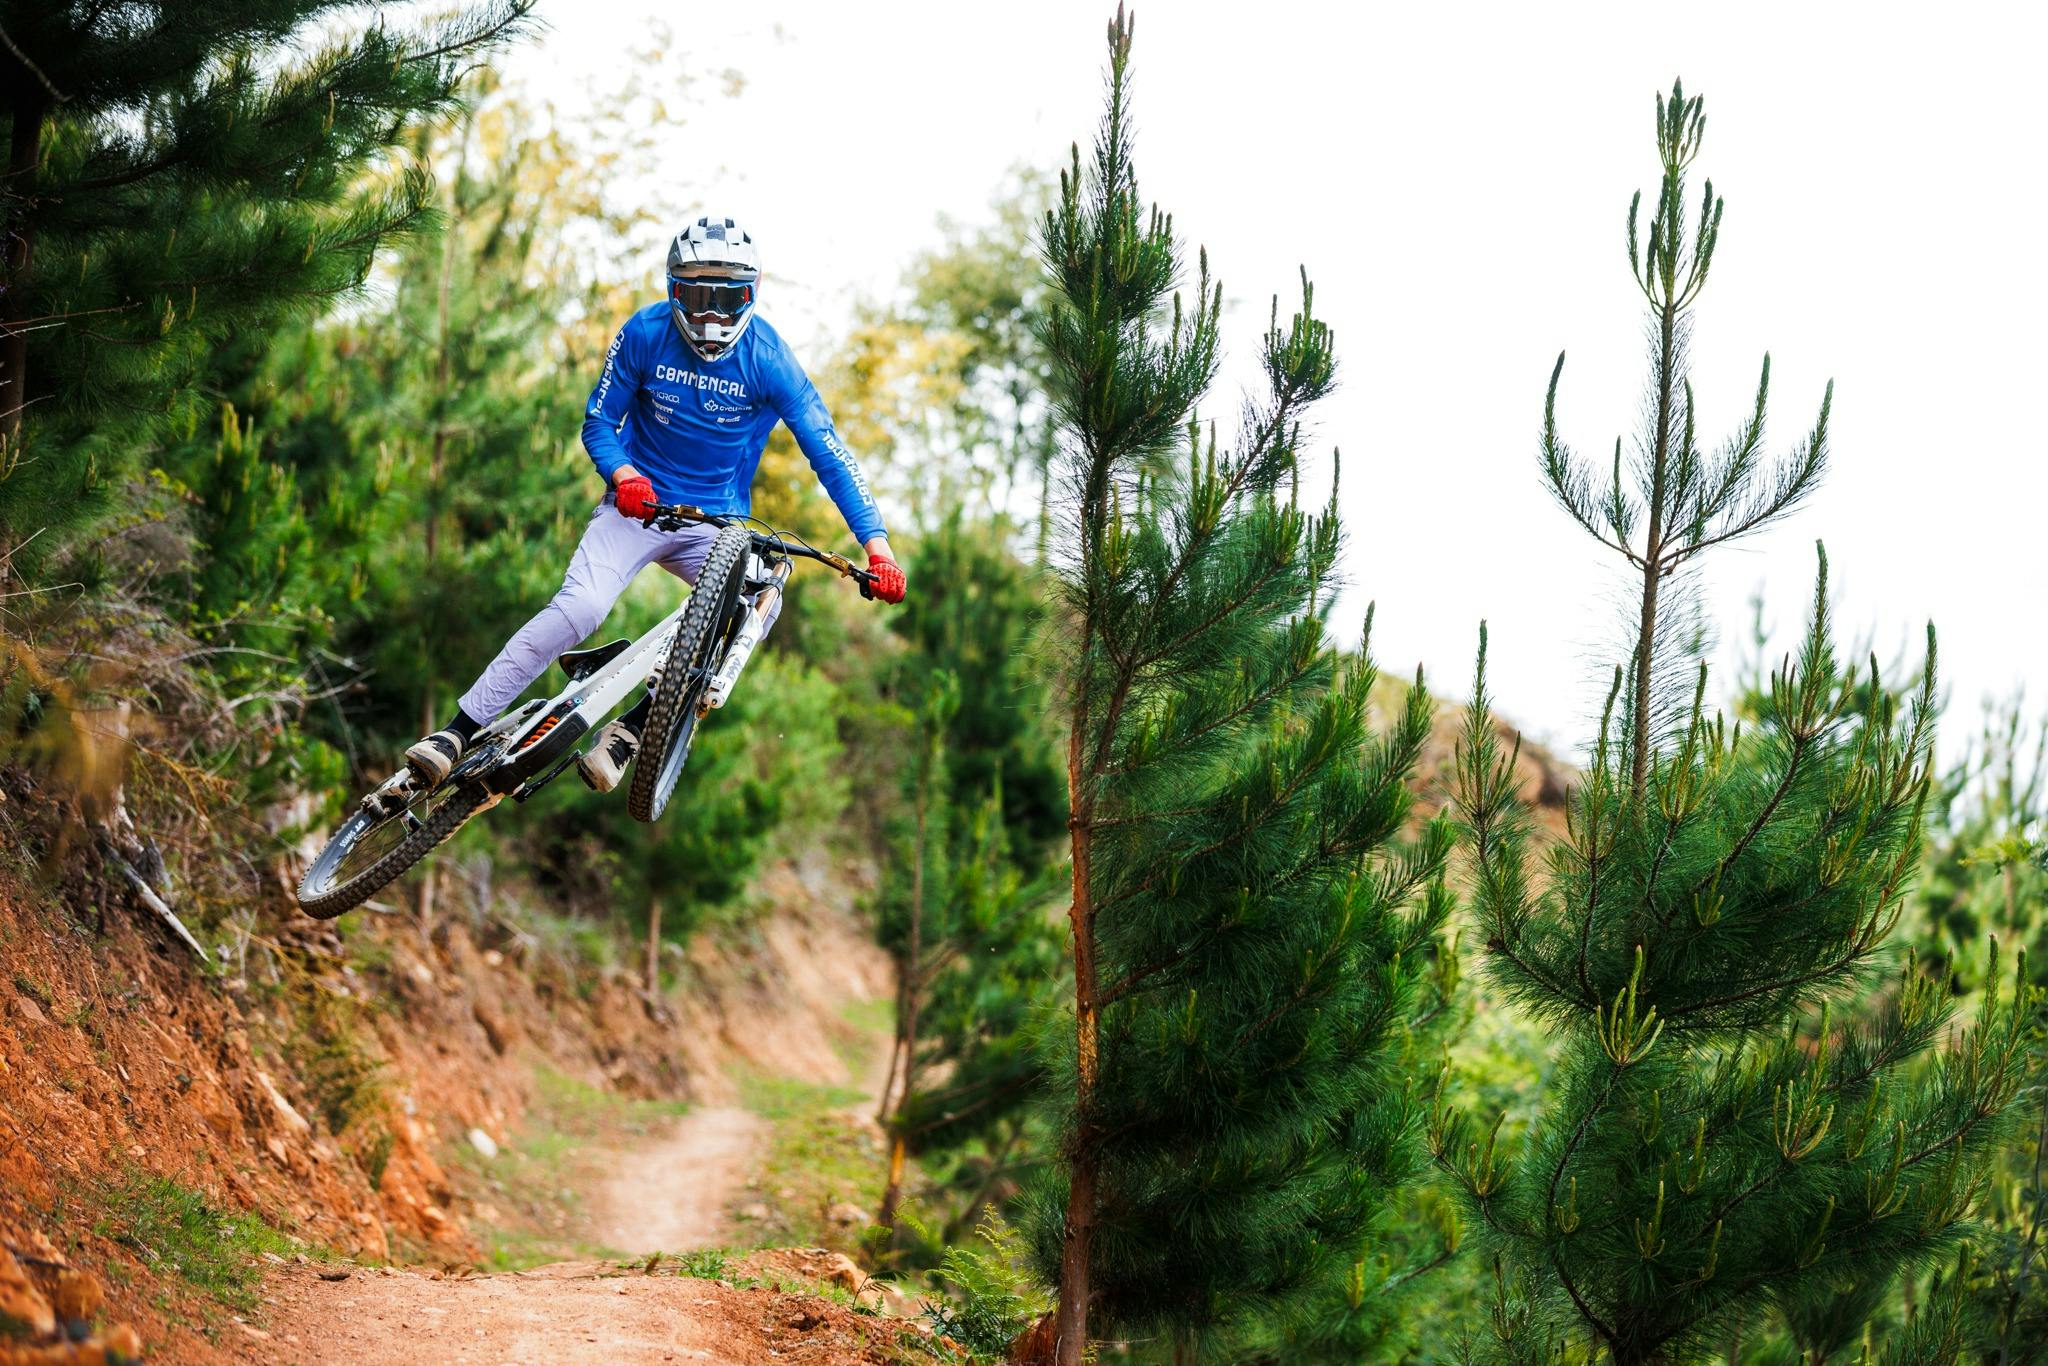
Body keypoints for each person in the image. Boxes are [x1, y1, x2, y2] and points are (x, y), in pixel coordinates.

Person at [403, 215, 905, 793]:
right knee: (579, 610)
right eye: (695, 295)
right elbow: (598, 422)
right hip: (635, 509)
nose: (711, 316)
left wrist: (879, 550)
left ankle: (636, 728)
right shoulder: (644, 333)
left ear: (752, 294)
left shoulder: (771, 360)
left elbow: (831, 455)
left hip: (715, 527)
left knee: (758, 600)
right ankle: (456, 731)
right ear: (672, 289)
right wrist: (623, 475)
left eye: (727, 299)